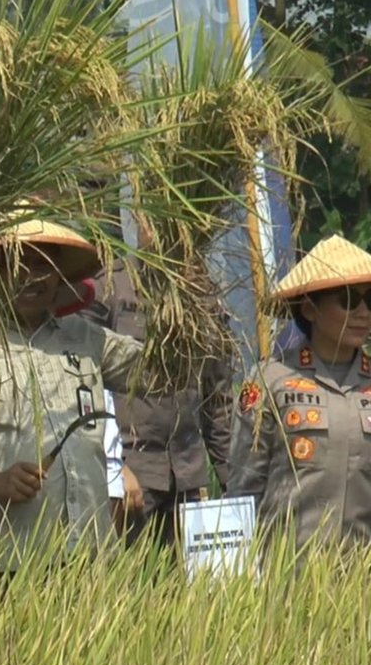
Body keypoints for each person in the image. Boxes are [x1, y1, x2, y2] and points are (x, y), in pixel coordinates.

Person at [0, 218, 152, 573]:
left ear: (58, 273)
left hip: (92, 564)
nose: (30, 276)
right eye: (15, 263)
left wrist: (182, 288)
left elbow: (166, 373)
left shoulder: (86, 338)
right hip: (0, 567)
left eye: (41, 265)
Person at [228, 234, 371, 552]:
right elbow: (243, 486)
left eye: (370, 300)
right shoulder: (270, 380)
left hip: (360, 579)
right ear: (309, 309)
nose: (363, 312)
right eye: (348, 300)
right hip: (286, 577)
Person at [83, 255, 234, 546]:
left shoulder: (204, 293)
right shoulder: (111, 284)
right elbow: (87, 382)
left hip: (188, 481)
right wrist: (114, 469)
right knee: (126, 584)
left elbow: (218, 399)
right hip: (130, 478)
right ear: (139, 215)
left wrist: (234, 482)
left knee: (191, 587)